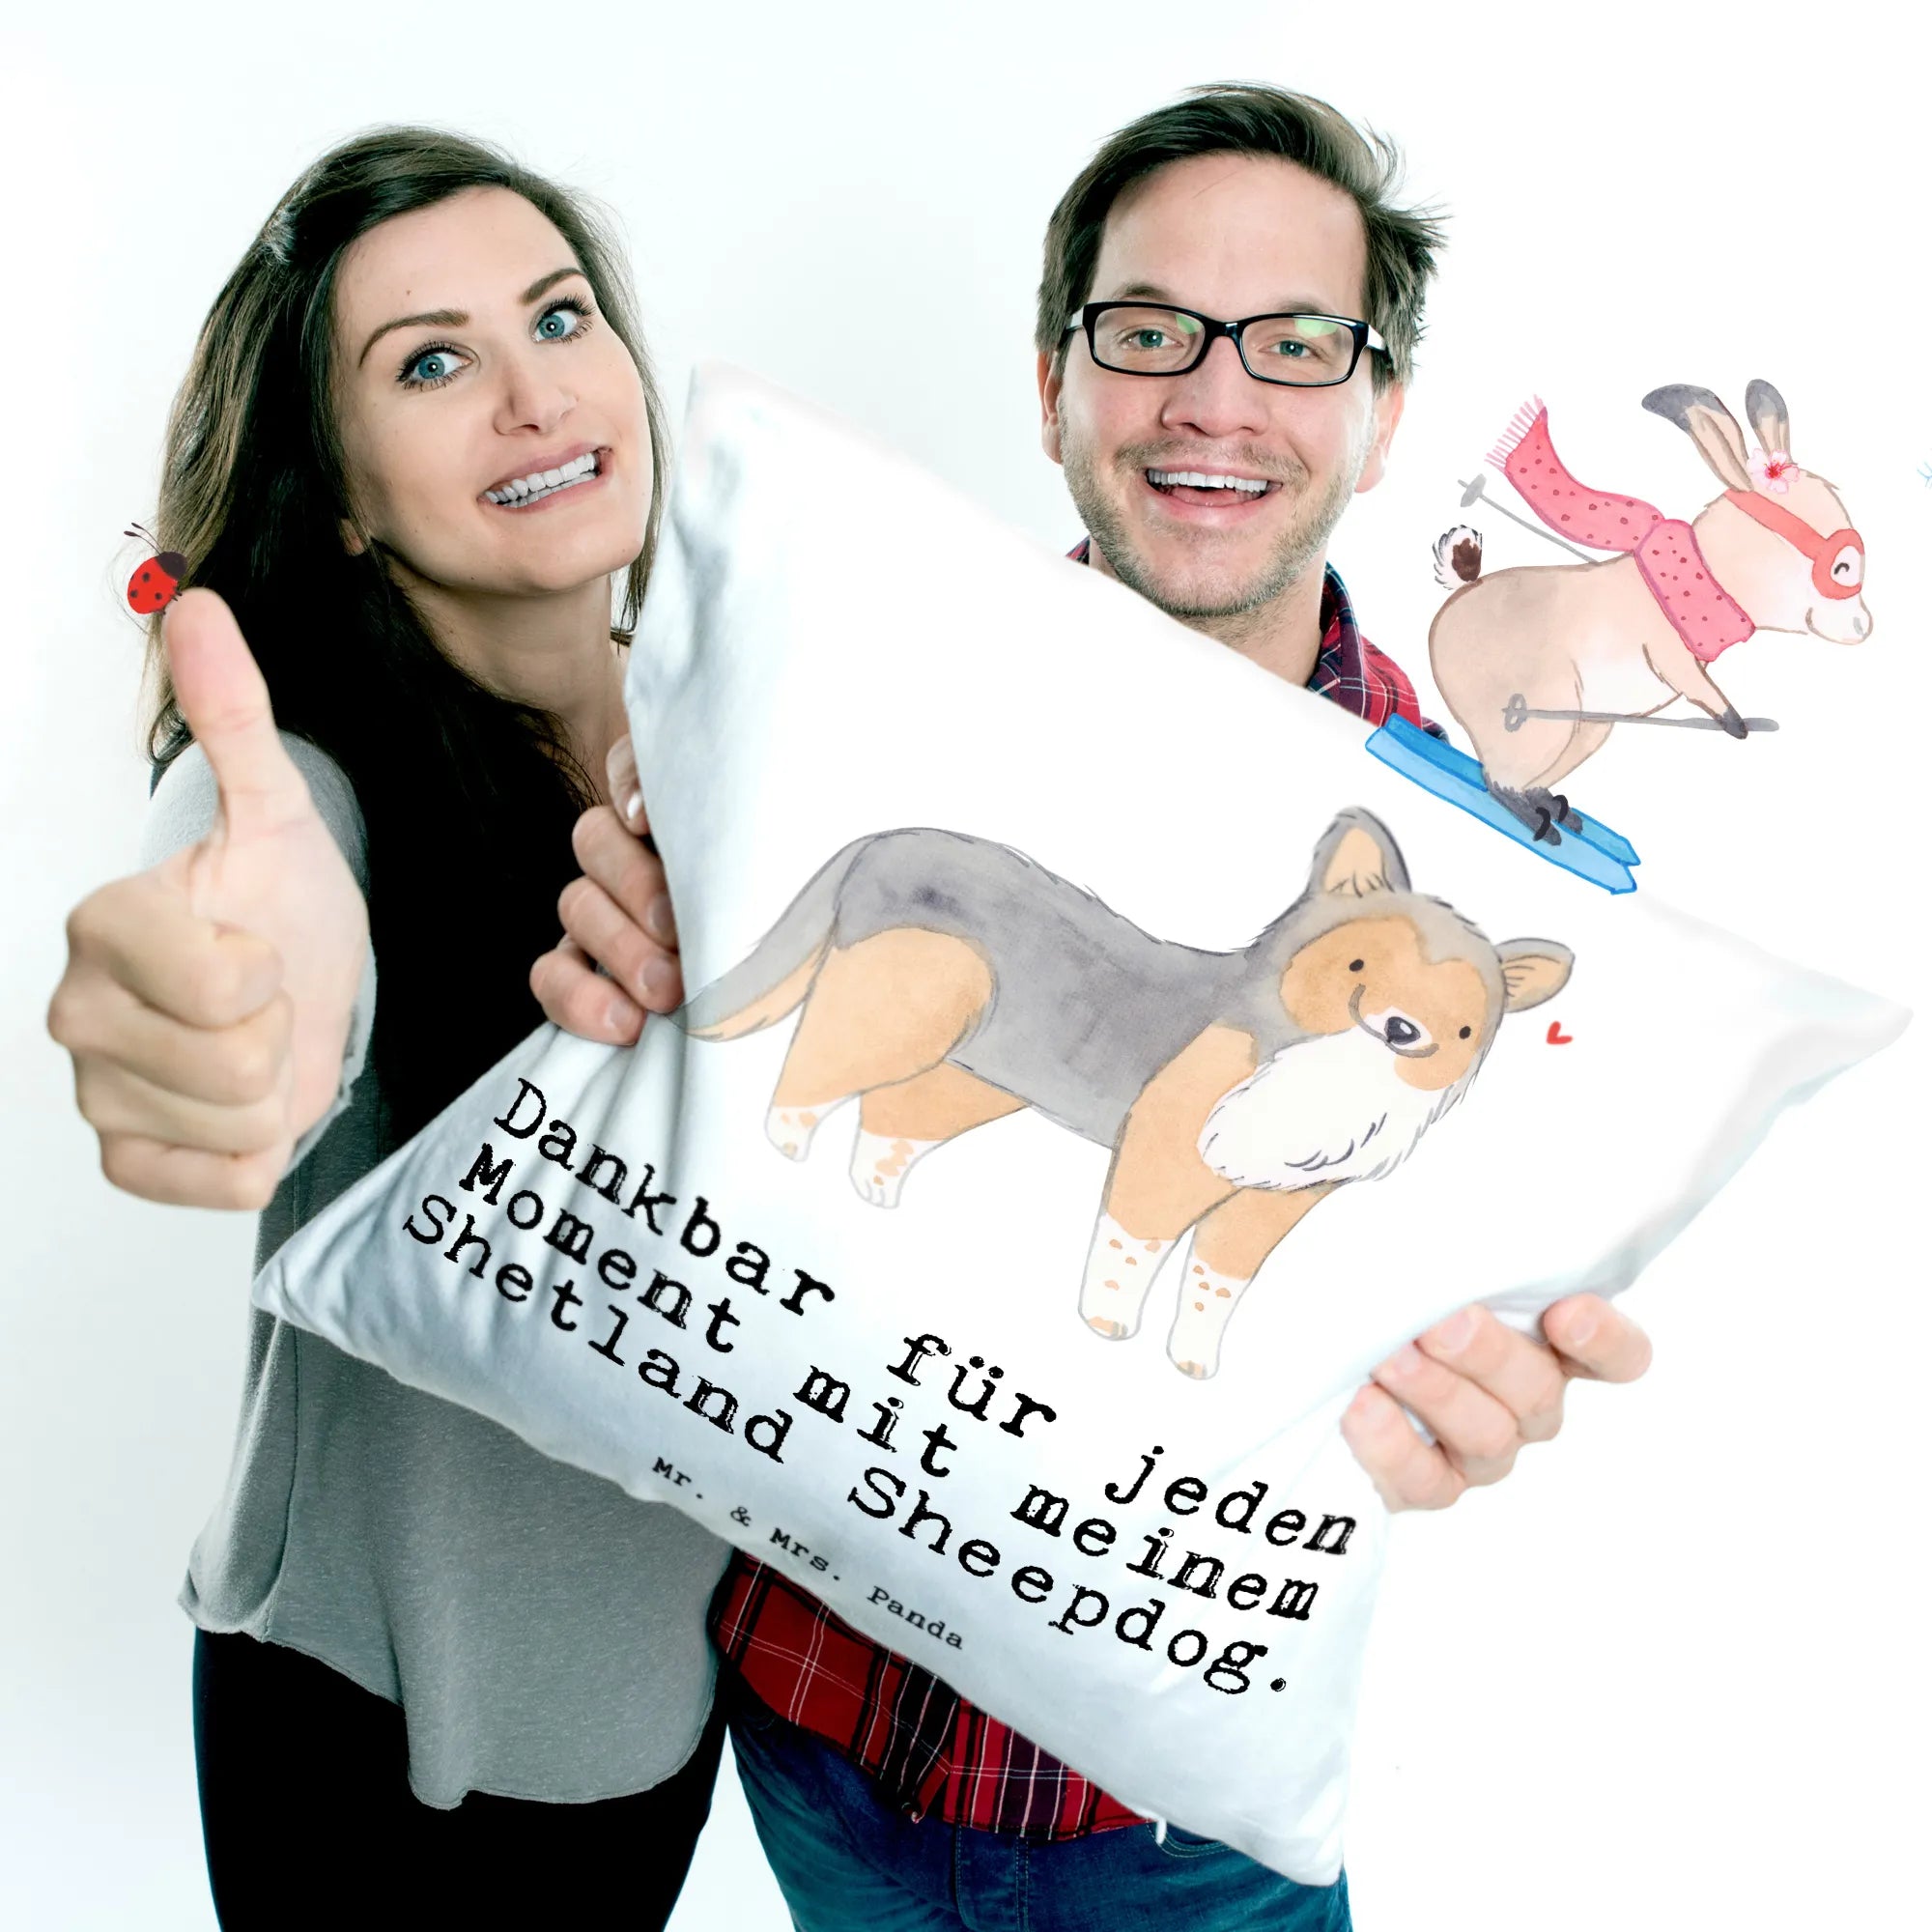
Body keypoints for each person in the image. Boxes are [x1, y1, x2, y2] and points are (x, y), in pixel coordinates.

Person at [532, 84, 1655, 1929]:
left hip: (1183, 1830)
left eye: (1296, 343)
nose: (1216, 398)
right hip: (810, 1744)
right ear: (1054, 383)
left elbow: (1442, 1302)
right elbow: (680, 1135)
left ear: (1380, 418)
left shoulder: (1485, 886)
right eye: (1150, 333)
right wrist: (623, 976)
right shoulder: (834, 703)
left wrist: (1481, 1381)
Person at [44, 130, 733, 1927]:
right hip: (378, 1735)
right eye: (431, 363)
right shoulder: (307, 782)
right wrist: (220, 1004)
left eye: (559, 318)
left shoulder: (737, 746)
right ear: (342, 495)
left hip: (660, 1707)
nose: (532, 395)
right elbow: (253, 903)